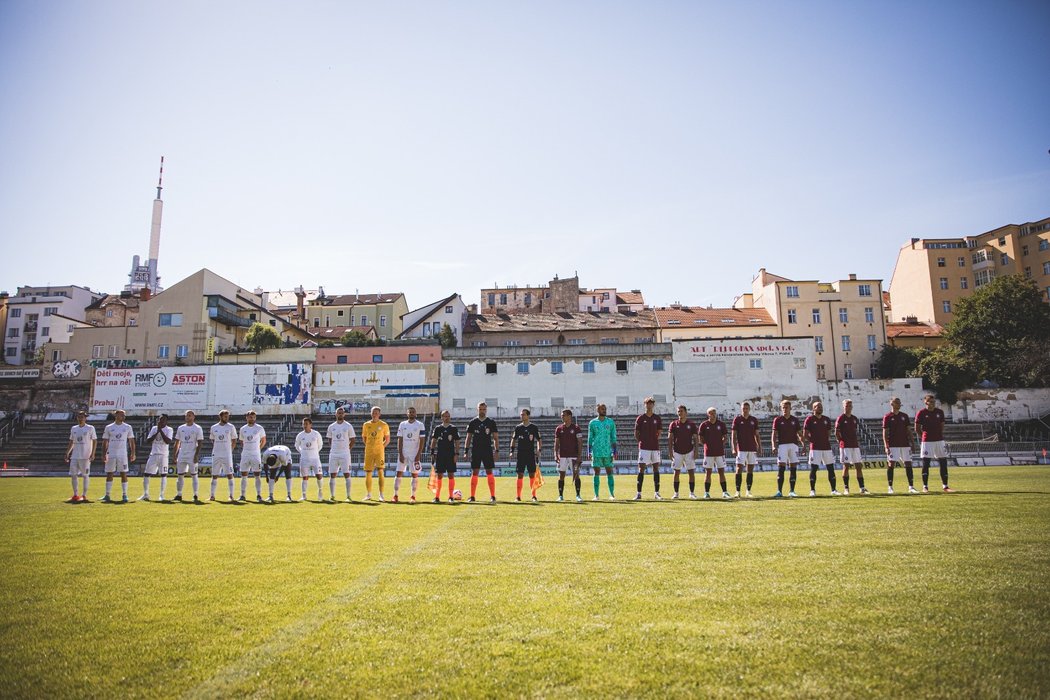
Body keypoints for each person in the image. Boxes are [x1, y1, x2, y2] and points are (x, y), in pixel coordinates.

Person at [916, 394, 954, 493]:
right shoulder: (921, 413)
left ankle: (945, 486)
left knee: (943, 462)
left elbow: (942, 425)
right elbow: (917, 428)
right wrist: (924, 437)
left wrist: (938, 435)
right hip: (927, 441)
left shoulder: (939, 412)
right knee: (926, 463)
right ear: (926, 402)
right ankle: (925, 486)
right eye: (930, 401)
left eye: (933, 402)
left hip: (939, 441)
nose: (932, 403)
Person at [464, 402, 499, 503]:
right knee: (475, 472)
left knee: (489, 472)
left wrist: (496, 451)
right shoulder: (473, 422)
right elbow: (468, 437)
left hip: (487, 450)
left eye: (484, 409)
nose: (482, 411)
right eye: (480, 409)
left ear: (486, 410)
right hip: (476, 450)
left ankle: (492, 496)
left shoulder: (491, 422)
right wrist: (466, 451)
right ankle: (472, 496)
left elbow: (495, 438)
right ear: (477, 409)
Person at [804, 401, 840, 496]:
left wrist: (823, 440)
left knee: (831, 468)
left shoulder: (826, 419)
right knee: (814, 469)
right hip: (815, 448)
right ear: (813, 409)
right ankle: (812, 490)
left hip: (826, 447)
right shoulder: (809, 419)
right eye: (817, 406)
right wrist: (813, 441)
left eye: (821, 406)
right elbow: (805, 434)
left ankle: (833, 490)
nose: (820, 408)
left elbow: (828, 433)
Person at [883, 396, 917, 495]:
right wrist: (886, 445)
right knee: (891, 464)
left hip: (905, 444)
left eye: (899, 402)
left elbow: (908, 430)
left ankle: (911, 487)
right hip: (893, 444)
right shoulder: (887, 417)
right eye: (897, 402)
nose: (899, 404)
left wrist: (913, 443)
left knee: (908, 463)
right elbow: (885, 432)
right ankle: (890, 487)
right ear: (892, 404)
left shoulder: (904, 416)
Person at [101, 409, 136, 503]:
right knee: (109, 473)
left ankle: (125, 495)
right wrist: (104, 453)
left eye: (124, 415)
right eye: (121, 415)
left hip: (122, 454)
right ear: (116, 416)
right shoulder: (109, 427)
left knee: (123, 473)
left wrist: (133, 453)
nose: (123, 417)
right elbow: (105, 441)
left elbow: (131, 441)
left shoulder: (128, 427)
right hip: (111, 453)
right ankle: (107, 495)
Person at [835, 399, 868, 495]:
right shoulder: (840, 418)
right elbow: (836, 432)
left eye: (850, 405)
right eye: (846, 405)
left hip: (855, 445)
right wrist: (841, 442)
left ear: (852, 407)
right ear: (843, 406)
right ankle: (846, 488)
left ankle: (862, 488)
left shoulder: (854, 418)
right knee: (846, 466)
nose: (848, 407)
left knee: (859, 466)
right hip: (845, 446)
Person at [634, 397, 663, 500]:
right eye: (647, 403)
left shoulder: (657, 418)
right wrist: (642, 442)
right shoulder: (640, 418)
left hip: (655, 448)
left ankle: (657, 493)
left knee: (656, 468)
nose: (649, 405)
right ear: (644, 405)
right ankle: (638, 493)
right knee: (641, 468)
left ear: (653, 405)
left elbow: (659, 433)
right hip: (644, 448)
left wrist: (654, 440)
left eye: (651, 403)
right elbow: (636, 433)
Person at [772, 400, 803, 498]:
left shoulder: (795, 420)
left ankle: (792, 491)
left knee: (793, 467)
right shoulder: (778, 420)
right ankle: (779, 491)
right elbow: (774, 434)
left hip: (793, 445)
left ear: (790, 408)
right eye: (783, 407)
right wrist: (773, 445)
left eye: (787, 407)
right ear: (781, 408)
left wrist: (804, 445)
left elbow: (799, 434)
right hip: (782, 446)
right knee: (781, 468)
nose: (785, 409)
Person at [699, 407, 731, 499]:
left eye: (714, 413)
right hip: (708, 453)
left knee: (721, 472)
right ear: (708, 414)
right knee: (708, 472)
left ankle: (725, 492)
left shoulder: (721, 424)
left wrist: (720, 444)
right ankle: (706, 493)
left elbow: (725, 437)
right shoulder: (704, 425)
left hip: (719, 452)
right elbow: (700, 438)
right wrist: (707, 444)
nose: (712, 415)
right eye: (710, 413)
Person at [510, 408, 542, 502]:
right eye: (521, 414)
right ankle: (518, 496)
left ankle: (534, 496)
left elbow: (539, 440)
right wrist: (512, 451)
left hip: (530, 454)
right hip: (521, 454)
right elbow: (513, 439)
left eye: (523, 414)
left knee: (532, 475)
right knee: (520, 474)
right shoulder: (518, 427)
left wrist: (539, 450)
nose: (522, 416)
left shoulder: (534, 427)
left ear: (528, 416)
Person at [395, 407, 425, 503]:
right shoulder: (402, 424)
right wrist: (400, 453)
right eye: (410, 412)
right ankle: (395, 495)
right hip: (403, 452)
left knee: (414, 474)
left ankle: (413, 496)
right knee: (399, 473)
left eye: (413, 412)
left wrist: (418, 454)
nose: (411, 413)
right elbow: (399, 439)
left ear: (415, 414)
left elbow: (422, 440)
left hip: (414, 453)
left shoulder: (420, 425)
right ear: (407, 414)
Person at [668, 405, 699, 499]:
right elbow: (670, 438)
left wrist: (696, 451)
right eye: (678, 411)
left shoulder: (691, 424)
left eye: (681, 411)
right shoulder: (673, 424)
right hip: (677, 451)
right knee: (676, 472)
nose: (679, 413)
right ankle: (676, 493)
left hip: (689, 451)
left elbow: (696, 439)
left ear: (686, 412)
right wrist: (670, 451)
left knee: (691, 472)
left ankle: (692, 493)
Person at [588, 403, 618, 500]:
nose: (604, 410)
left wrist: (615, 450)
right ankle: (596, 495)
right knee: (596, 472)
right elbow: (590, 438)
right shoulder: (592, 423)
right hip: (596, 451)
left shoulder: (610, 422)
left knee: (609, 471)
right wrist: (589, 451)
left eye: (605, 409)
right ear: (598, 410)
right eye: (602, 409)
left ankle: (612, 494)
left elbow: (613, 437)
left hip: (607, 451)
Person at [173, 410, 205, 502]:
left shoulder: (197, 428)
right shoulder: (181, 428)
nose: (188, 417)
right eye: (186, 416)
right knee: (180, 475)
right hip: (182, 454)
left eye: (190, 415)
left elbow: (200, 442)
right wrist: (175, 455)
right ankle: (179, 494)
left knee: (194, 475)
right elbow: (177, 442)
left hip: (192, 455)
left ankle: (195, 495)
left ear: (193, 417)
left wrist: (196, 455)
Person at [428, 410, 459, 503]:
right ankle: (437, 497)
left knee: (451, 475)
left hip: (450, 455)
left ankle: (451, 497)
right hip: (440, 454)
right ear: (442, 417)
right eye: (445, 416)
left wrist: (456, 454)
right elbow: (433, 441)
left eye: (448, 416)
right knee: (439, 475)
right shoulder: (438, 428)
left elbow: (457, 442)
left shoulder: (453, 428)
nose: (446, 418)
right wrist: (432, 453)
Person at [65, 410, 97, 502]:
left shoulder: (90, 428)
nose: (80, 418)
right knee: (73, 475)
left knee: (85, 475)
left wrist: (93, 453)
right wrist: (67, 452)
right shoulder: (74, 428)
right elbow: (72, 441)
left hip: (85, 456)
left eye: (82, 417)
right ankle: (75, 495)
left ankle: (84, 495)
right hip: (75, 456)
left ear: (85, 418)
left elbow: (94, 441)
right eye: (79, 417)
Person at [326, 407, 357, 501]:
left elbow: (353, 440)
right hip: (334, 454)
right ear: (335, 414)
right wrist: (334, 448)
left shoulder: (348, 426)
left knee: (347, 474)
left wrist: (347, 449)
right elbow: (329, 439)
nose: (340, 414)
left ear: (344, 414)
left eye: (341, 413)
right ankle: (332, 496)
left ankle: (348, 496)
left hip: (345, 454)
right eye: (338, 413)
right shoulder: (331, 427)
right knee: (332, 475)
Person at [139, 414, 172, 501]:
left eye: (163, 420)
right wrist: (157, 431)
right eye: (160, 419)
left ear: (166, 421)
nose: (161, 421)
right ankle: (146, 494)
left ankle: (161, 495)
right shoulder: (154, 428)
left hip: (163, 455)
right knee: (146, 474)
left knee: (163, 475)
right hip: (153, 454)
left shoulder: (169, 429)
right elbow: (148, 440)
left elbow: (168, 441)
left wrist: (160, 431)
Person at [731, 401, 761, 498]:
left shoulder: (754, 420)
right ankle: (737, 491)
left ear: (749, 409)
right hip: (741, 448)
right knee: (739, 468)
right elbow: (733, 435)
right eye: (743, 408)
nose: (745, 410)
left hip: (751, 448)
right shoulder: (737, 419)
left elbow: (757, 435)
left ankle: (748, 491)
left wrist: (759, 446)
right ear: (741, 409)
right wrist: (734, 448)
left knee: (750, 469)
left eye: (747, 408)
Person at [554, 409, 584, 502]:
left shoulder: (576, 428)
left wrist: (579, 456)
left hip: (573, 455)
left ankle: (578, 495)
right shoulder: (559, 428)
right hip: (562, 456)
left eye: (564, 415)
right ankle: (560, 496)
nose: (562, 416)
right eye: (562, 415)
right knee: (561, 475)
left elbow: (580, 442)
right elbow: (556, 443)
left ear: (569, 416)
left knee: (576, 475)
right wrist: (556, 454)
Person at [362, 406, 391, 501]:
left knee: (380, 471)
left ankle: (381, 495)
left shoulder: (384, 425)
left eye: (376, 413)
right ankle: (369, 494)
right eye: (373, 413)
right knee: (368, 472)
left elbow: (387, 439)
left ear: (379, 414)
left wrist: (381, 447)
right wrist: (370, 446)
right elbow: (364, 438)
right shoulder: (366, 425)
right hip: (369, 452)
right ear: (371, 413)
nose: (374, 415)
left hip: (379, 452)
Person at [209, 410, 237, 502]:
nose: (227, 418)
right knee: (214, 475)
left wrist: (229, 451)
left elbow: (234, 440)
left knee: (229, 474)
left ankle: (231, 496)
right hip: (216, 454)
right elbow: (212, 439)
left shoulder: (231, 427)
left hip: (226, 455)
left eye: (228, 416)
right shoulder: (214, 427)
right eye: (225, 416)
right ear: (220, 416)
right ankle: (212, 496)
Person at [238, 410, 267, 502]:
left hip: (256, 454)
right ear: (246, 417)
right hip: (245, 454)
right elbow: (241, 441)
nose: (252, 418)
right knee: (244, 475)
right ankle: (242, 495)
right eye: (250, 417)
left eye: (254, 417)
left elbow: (263, 440)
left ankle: (259, 495)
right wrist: (246, 449)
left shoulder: (259, 428)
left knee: (257, 475)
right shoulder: (243, 429)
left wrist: (258, 449)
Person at [295, 417, 325, 501]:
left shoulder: (316, 434)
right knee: (304, 477)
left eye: (306, 424)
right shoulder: (300, 435)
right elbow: (297, 446)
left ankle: (320, 492)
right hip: (304, 459)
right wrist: (302, 452)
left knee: (319, 476)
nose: (305, 425)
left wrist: (315, 452)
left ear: (310, 425)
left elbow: (320, 445)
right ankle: (304, 495)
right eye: (303, 424)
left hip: (315, 459)